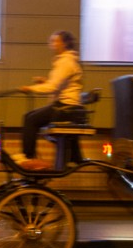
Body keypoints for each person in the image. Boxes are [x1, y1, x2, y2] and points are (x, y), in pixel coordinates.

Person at [16, 30, 84, 163]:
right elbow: (59, 85)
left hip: (64, 108)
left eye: (54, 41)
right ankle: (75, 158)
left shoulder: (66, 62)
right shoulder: (67, 61)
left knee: (30, 119)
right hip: (66, 107)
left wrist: (30, 89)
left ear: (64, 44)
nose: (51, 44)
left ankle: (28, 156)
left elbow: (52, 87)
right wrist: (45, 82)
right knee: (30, 116)